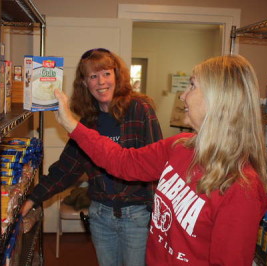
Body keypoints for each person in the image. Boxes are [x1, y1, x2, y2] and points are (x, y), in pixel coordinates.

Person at [53, 54, 267, 265]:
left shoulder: (242, 189)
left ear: (219, 99)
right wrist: (71, 124)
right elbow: (122, 162)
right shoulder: (181, 146)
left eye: (192, 86)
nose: (183, 96)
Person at [21, 48, 163, 266]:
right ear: (85, 83)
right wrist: (33, 198)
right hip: (101, 215)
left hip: (136, 216)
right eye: (93, 76)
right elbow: (66, 169)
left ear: (117, 75)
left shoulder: (140, 110)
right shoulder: (87, 122)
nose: (101, 81)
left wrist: (157, 213)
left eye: (106, 73)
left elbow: (156, 164)